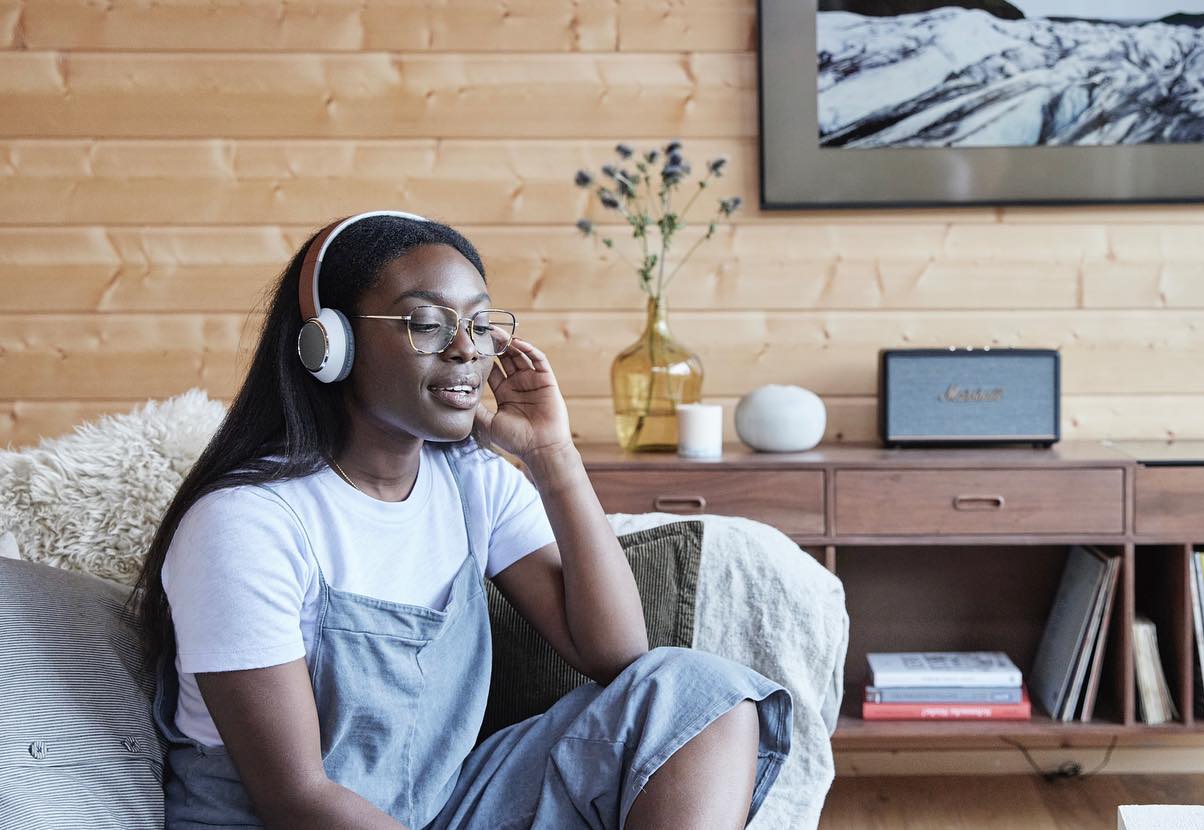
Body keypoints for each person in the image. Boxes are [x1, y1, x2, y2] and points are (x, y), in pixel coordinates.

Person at [129, 211, 793, 829]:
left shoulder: (472, 480)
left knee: (703, 693)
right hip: (295, 821)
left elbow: (617, 655)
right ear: (328, 346)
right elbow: (295, 796)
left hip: (441, 805)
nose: (466, 350)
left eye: (479, 324)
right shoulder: (245, 525)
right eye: (426, 324)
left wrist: (552, 456)